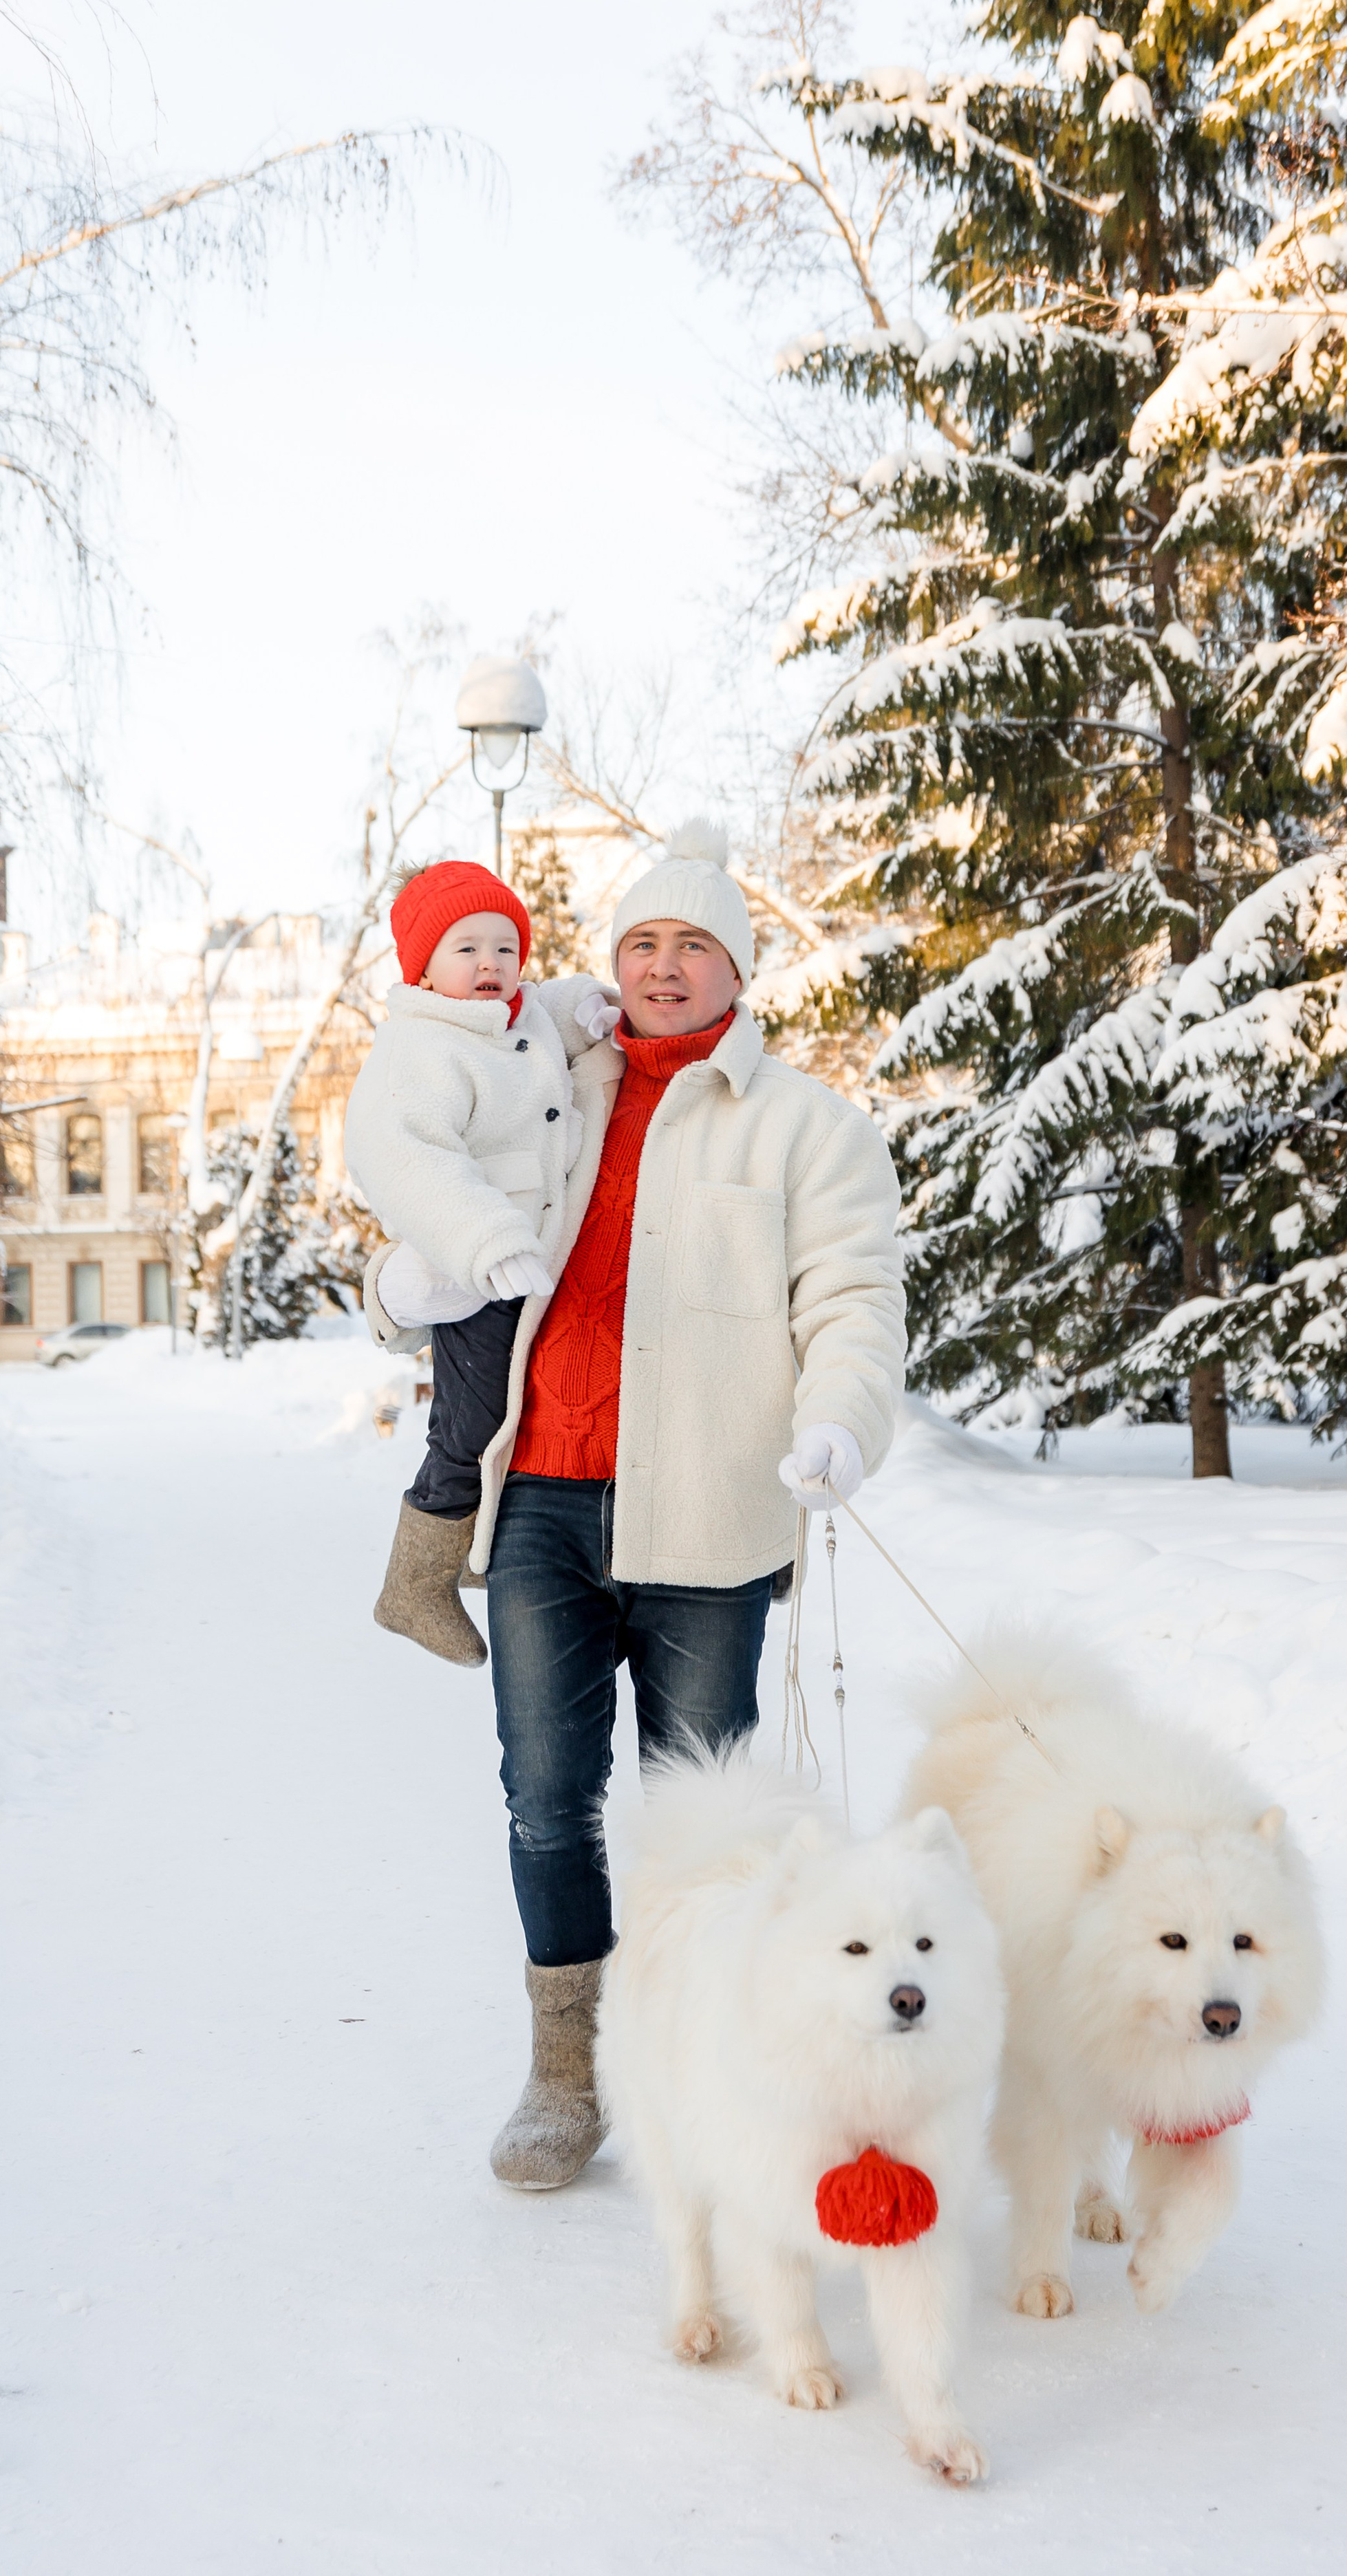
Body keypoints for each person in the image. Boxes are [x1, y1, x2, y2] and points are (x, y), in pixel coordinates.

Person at [360, 819, 906, 2189]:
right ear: (613, 963)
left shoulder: (804, 1127)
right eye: (641, 943)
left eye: (692, 944)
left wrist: (840, 1423)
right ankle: (563, 2076)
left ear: (737, 965)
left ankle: (703, 2063)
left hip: (712, 1516)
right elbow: (433, 1183)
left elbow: (851, 1303)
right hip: (542, 1499)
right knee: (548, 1800)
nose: (663, 968)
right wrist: (399, 1280)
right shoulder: (552, 1077)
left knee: (699, 1817)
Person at [343, 858, 612, 1666]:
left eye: (506, 946)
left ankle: (472, 1551)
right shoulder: (419, 1049)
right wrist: (485, 1244)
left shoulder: (513, 1020)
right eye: (467, 949)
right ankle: (413, 1583)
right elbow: (406, 1160)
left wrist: (581, 1005)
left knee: (522, 1421)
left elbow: (543, 1026)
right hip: (476, 1269)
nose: (491, 964)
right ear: (423, 968)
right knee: (473, 1425)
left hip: (536, 1262)